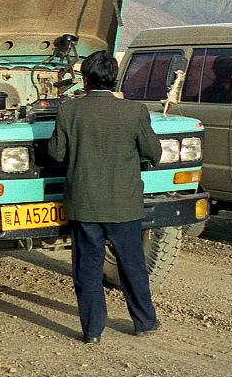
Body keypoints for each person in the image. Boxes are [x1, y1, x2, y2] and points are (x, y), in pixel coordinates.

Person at [47, 50, 164, 344]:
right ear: (114, 80)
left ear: (85, 80)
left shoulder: (69, 110)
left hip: (84, 204)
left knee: (87, 268)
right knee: (132, 265)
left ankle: (93, 331)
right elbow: (155, 153)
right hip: (124, 204)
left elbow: (56, 153)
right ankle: (145, 321)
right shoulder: (134, 111)